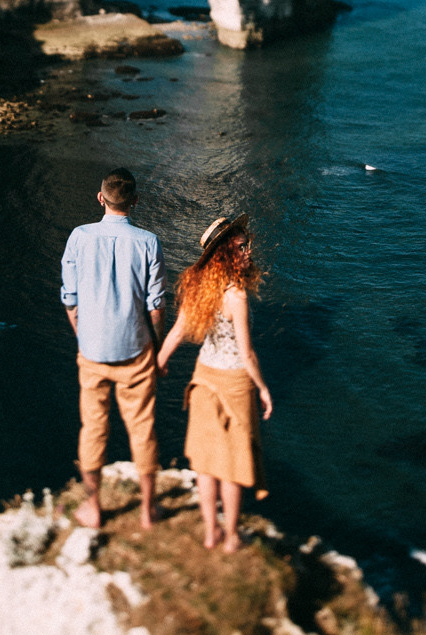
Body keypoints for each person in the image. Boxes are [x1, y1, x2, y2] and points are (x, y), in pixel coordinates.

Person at [156, 215, 272, 553]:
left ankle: (210, 533)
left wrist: (159, 364)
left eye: (246, 244)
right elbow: (247, 354)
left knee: (206, 465)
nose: (248, 251)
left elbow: (177, 332)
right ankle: (232, 537)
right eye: (240, 247)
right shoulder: (236, 295)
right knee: (232, 467)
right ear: (224, 252)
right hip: (235, 383)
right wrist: (263, 389)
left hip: (203, 378)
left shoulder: (197, 284)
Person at [61, 168, 167, 529]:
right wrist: (158, 346)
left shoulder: (78, 237)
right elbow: (156, 306)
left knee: (92, 428)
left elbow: (69, 298)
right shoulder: (149, 241)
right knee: (142, 428)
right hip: (135, 351)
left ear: (100, 197)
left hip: (91, 351)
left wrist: (82, 334)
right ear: (135, 201)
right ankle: (148, 510)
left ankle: (93, 508)